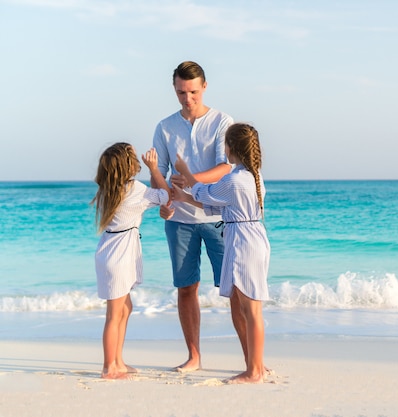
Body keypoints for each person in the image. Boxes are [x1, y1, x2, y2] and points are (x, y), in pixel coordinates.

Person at [172, 123, 270, 384]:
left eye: (225, 144)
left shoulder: (234, 180)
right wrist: (184, 198)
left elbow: (206, 192)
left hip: (243, 241)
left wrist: (185, 173)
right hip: (251, 236)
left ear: (231, 147)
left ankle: (254, 371)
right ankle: (256, 366)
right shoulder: (253, 176)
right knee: (248, 305)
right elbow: (216, 206)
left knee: (251, 309)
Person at [151, 61, 233, 372]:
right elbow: (158, 173)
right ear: (174, 89)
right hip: (179, 220)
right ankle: (194, 357)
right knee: (186, 288)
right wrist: (163, 197)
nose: (188, 99)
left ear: (205, 87)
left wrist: (192, 179)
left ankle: (251, 359)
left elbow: (227, 166)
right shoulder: (165, 126)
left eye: (193, 92)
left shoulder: (222, 121)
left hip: (217, 217)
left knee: (235, 288)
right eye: (181, 92)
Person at [92, 143, 170, 379]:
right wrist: (155, 169)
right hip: (120, 256)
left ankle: (118, 361)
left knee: (126, 308)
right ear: (129, 164)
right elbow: (166, 196)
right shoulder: (134, 189)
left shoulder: (109, 188)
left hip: (109, 252)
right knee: (114, 314)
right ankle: (109, 367)